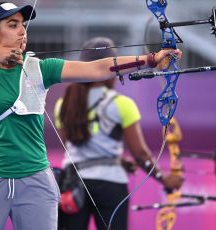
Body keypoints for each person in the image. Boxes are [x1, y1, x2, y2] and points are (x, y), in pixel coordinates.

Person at [0, 2, 182, 230]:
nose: (22, 31)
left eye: (23, 25)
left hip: (35, 180)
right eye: (12, 25)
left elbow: (97, 67)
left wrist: (150, 59)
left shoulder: (40, 68)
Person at [54, 37, 184, 230]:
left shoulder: (63, 104)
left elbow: (73, 146)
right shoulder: (122, 104)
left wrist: (117, 160)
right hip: (110, 184)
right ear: (112, 68)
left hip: (72, 184)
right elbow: (140, 154)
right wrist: (164, 179)